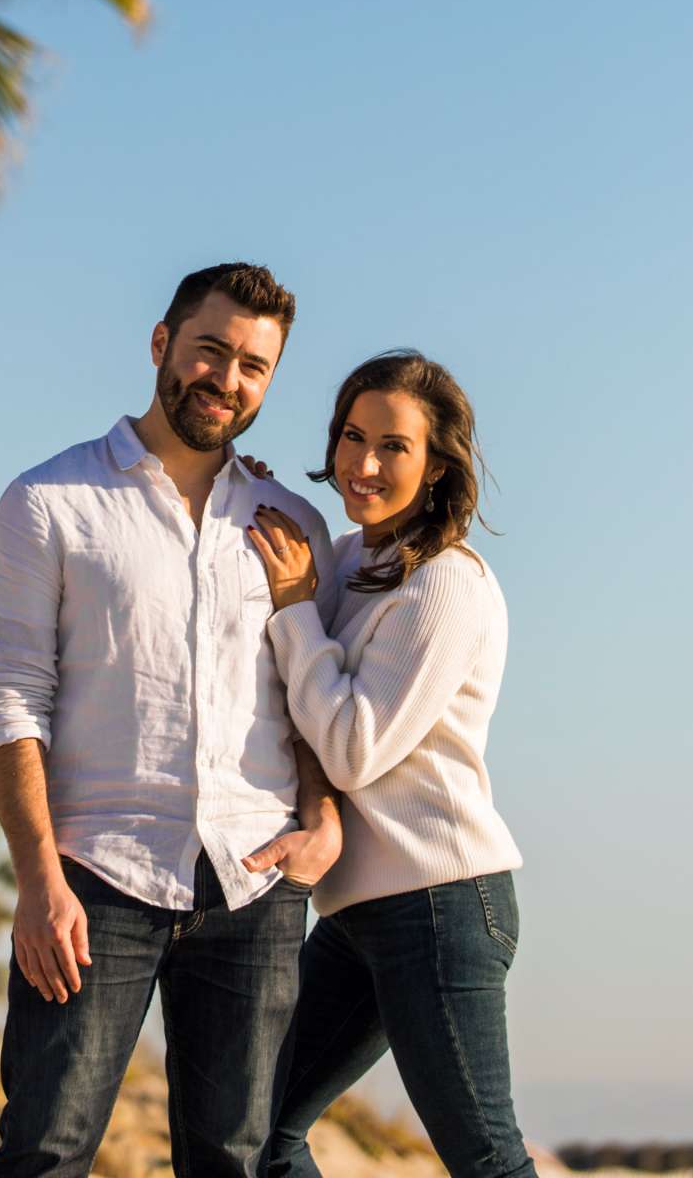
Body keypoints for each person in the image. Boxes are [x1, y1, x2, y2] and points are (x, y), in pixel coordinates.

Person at [0, 261, 344, 1178]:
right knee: (44, 1153)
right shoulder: (49, 503)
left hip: (254, 885)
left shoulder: (291, 523)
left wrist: (324, 817)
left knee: (233, 1161)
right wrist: (38, 880)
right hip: (95, 881)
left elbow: (310, 693)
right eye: (211, 351)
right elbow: (10, 700)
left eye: (253, 365)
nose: (226, 379)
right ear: (161, 346)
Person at [246, 351, 530, 1178]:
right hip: (358, 916)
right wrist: (250, 495)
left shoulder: (446, 585)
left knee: (485, 1160)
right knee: (256, 1129)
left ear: (436, 464)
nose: (363, 465)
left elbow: (350, 748)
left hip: (440, 907)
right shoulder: (344, 563)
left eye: (392, 447)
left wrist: (297, 607)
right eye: (351, 437)